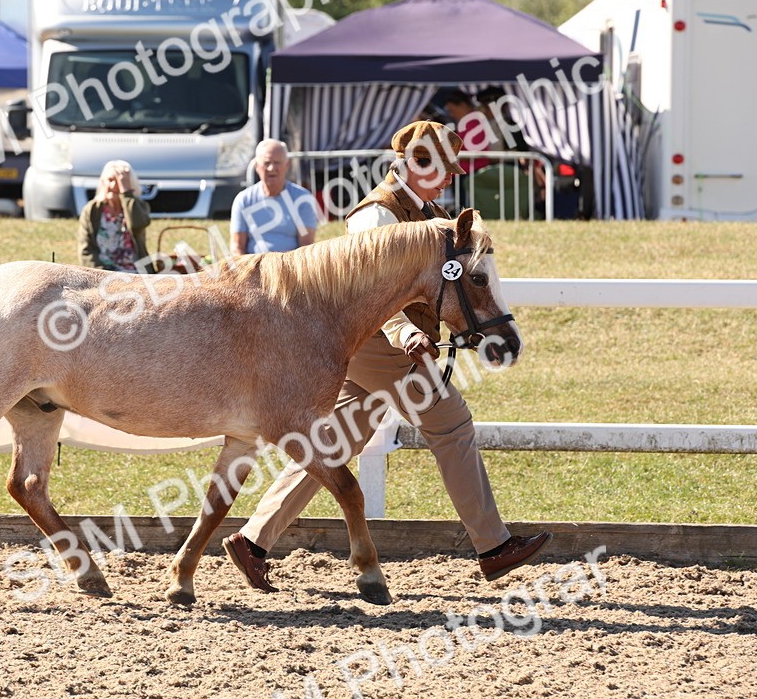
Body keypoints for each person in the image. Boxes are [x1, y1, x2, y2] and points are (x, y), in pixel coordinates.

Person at [223, 120, 552, 592]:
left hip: (378, 348)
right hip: (380, 344)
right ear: (416, 164)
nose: (450, 177)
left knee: (334, 443)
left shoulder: (429, 211)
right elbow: (367, 289)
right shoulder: (375, 215)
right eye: (442, 168)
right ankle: (493, 546)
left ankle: (253, 542)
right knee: (451, 423)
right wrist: (404, 333)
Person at [230, 139, 318, 256]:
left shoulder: (302, 199)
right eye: (266, 163)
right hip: (254, 265)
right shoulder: (243, 200)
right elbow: (237, 247)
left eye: (277, 163)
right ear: (256, 166)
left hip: (290, 265)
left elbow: (306, 247)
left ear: (287, 165)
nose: (271, 168)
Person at [78, 159, 151, 272]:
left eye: (120, 181)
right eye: (110, 180)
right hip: (102, 273)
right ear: (103, 182)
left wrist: (126, 193)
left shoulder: (139, 206)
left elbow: (137, 225)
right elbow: (86, 249)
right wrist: (98, 274)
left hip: (136, 274)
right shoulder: (91, 210)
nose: (114, 185)